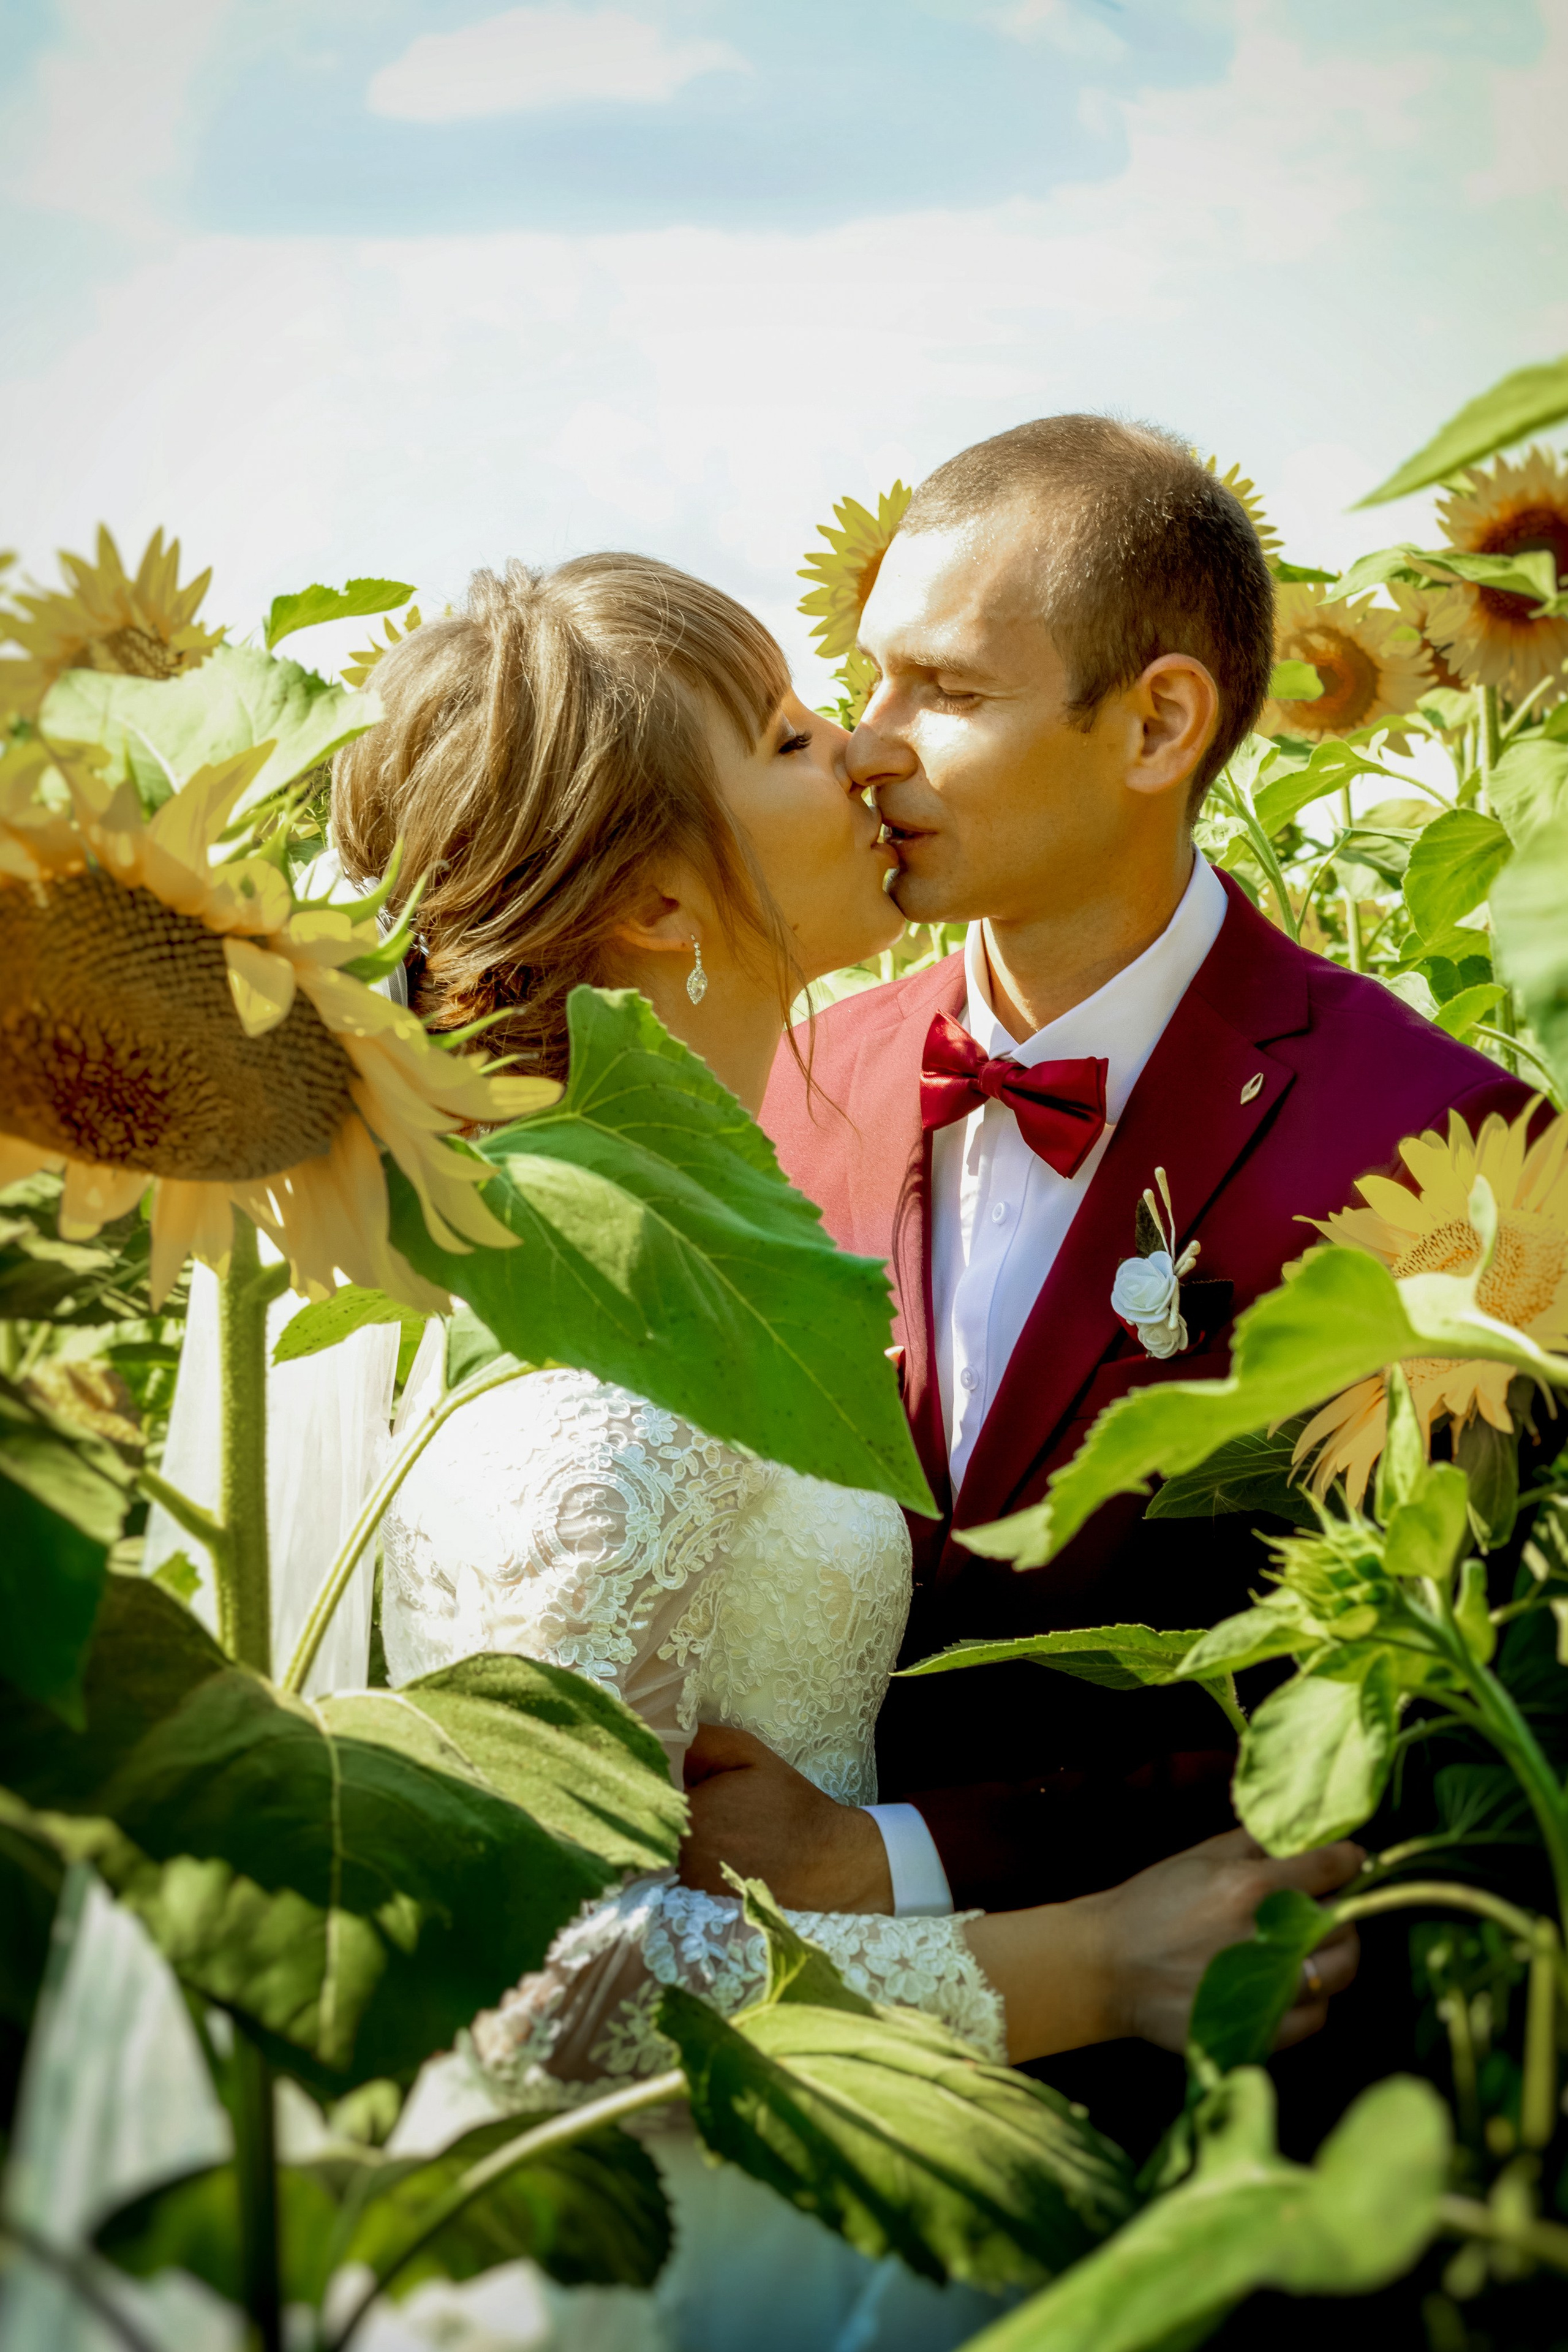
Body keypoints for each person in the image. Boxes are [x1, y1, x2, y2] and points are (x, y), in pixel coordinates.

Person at [330, 549, 1362, 2352]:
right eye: (798, 732)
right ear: (661, 907)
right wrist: (1104, 1965)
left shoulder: (692, 1238)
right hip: (701, 2251)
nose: (874, 755)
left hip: (826, 2172)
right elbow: (559, 1995)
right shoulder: (602, 1371)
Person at [676, 414, 1536, 2151]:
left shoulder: (1459, 1152)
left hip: (1223, 2114)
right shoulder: (798, 1072)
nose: (867, 751)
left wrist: (884, 1858)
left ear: (1156, 724)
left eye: (949, 694)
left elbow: (1389, 1702)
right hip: (804, 2078)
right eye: (867, 683)